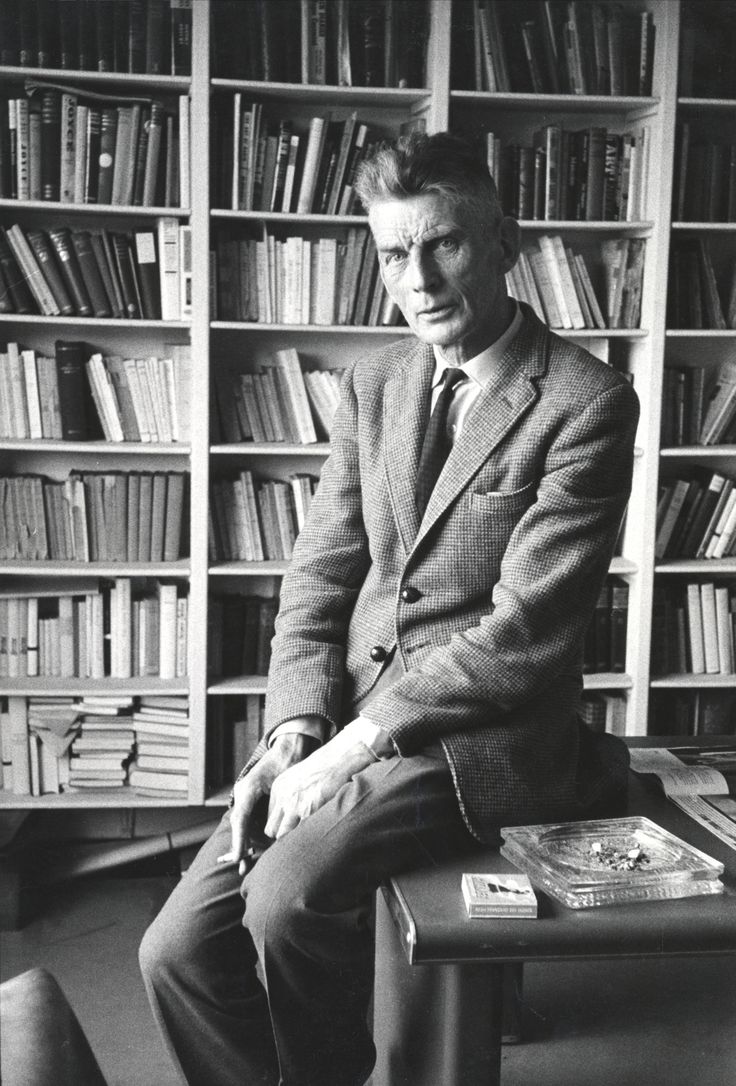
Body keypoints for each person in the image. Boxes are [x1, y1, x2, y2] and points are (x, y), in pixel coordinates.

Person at [140, 132, 639, 1086]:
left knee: (283, 900)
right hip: (341, 725)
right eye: (394, 253)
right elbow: (321, 574)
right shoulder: (373, 381)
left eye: (444, 244)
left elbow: (525, 637)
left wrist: (350, 746)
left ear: (505, 242)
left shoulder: (587, 401)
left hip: (476, 738)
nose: (419, 279)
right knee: (174, 951)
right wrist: (291, 729)